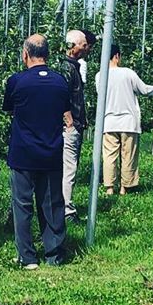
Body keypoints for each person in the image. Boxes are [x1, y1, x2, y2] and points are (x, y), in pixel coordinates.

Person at [3, 34, 72, 269]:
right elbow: (65, 110)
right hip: (52, 151)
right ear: (48, 54)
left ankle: (28, 256)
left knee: (22, 205)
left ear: (25, 54)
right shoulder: (61, 81)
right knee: (52, 204)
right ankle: (54, 254)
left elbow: (10, 110)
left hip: (23, 152)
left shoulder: (16, 81)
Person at [95, 43, 153, 195]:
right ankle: (125, 187)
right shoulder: (128, 73)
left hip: (109, 121)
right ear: (117, 56)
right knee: (128, 155)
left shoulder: (99, 75)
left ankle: (109, 187)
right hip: (128, 122)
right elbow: (144, 90)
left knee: (109, 156)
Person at [55, 30, 89, 219]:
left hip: (75, 124)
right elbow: (62, 95)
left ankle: (63, 204)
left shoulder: (72, 67)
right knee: (69, 168)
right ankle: (67, 209)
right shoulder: (67, 69)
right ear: (73, 47)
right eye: (83, 45)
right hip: (70, 126)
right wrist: (69, 121)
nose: (86, 48)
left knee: (68, 166)